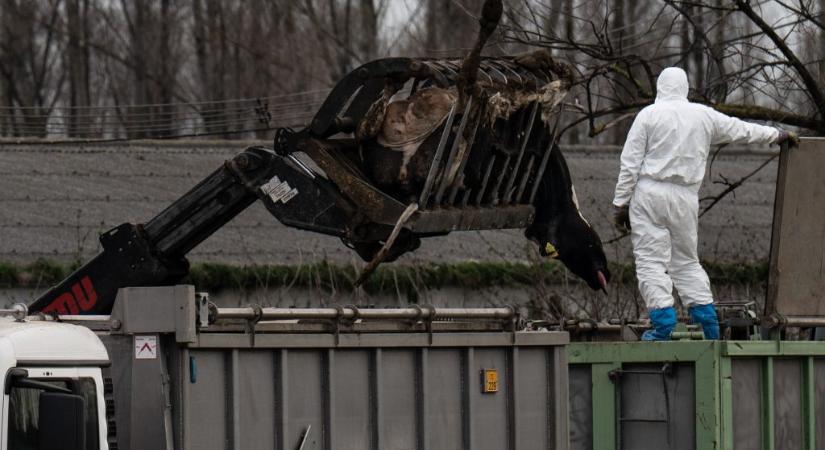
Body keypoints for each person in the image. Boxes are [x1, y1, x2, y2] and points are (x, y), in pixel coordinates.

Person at [612, 67, 798, 341]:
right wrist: (777, 135)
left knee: (651, 261)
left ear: (660, 88)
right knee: (686, 262)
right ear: (685, 88)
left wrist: (620, 204)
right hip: (686, 197)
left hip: (649, 193)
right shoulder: (703, 116)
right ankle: (710, 327)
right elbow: (741, 129)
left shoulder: (648, 117)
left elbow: (629, 163)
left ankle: (662, 326)